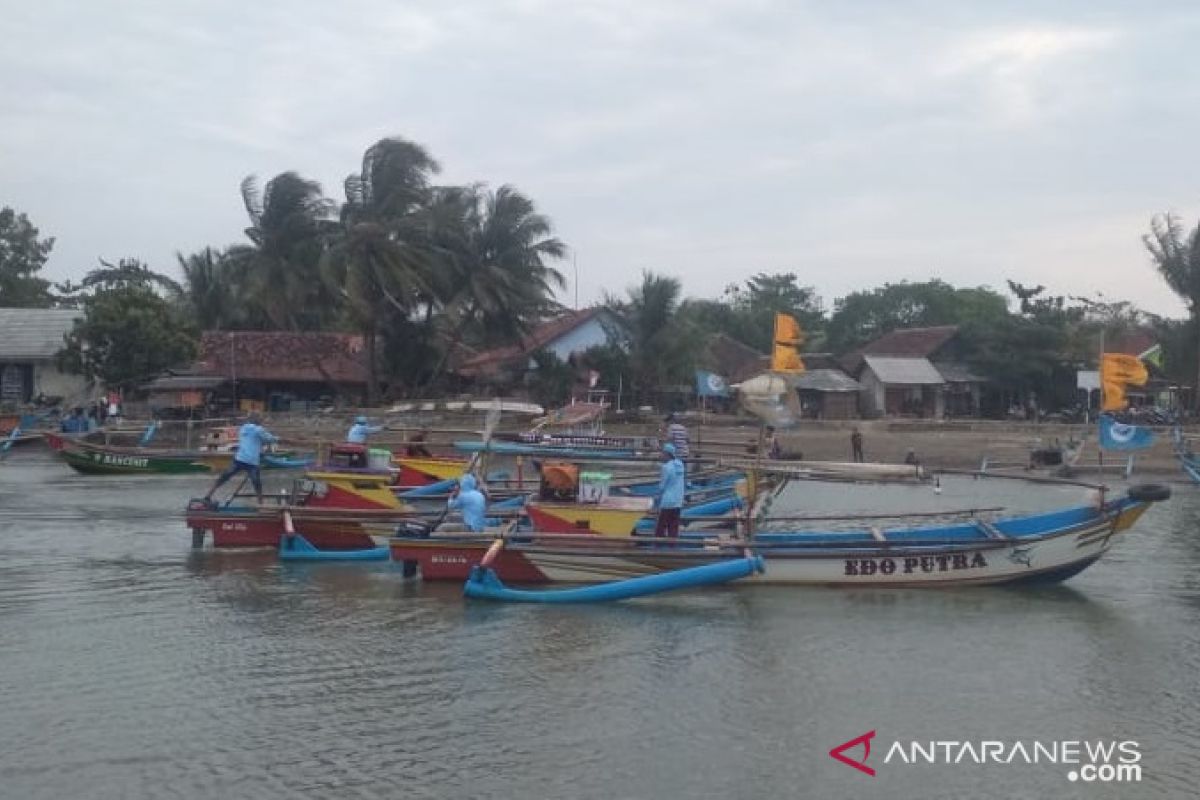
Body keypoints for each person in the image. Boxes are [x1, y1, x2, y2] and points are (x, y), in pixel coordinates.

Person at [204, 413, 277, 505]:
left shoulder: (243, 428)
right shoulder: (258, 430)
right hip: (252, 462)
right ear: (257, 421)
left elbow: (253, 440)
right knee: (257, 483)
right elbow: (270, 438)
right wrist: (278, 439)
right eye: (260, 420)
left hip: (239, 459)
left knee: (224, 477)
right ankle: (261, 503)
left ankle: (208, 496)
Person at [654, 443, 686, 538]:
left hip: (667, 501)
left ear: (667, 454)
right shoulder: (680, 465)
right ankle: (672, 546)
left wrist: (657, 497)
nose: (661, 456)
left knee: (660, 528)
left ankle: (658, 548)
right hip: (678, 500)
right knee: (673, 527)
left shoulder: (666, 467)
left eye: (663, 454)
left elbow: (662, 486)